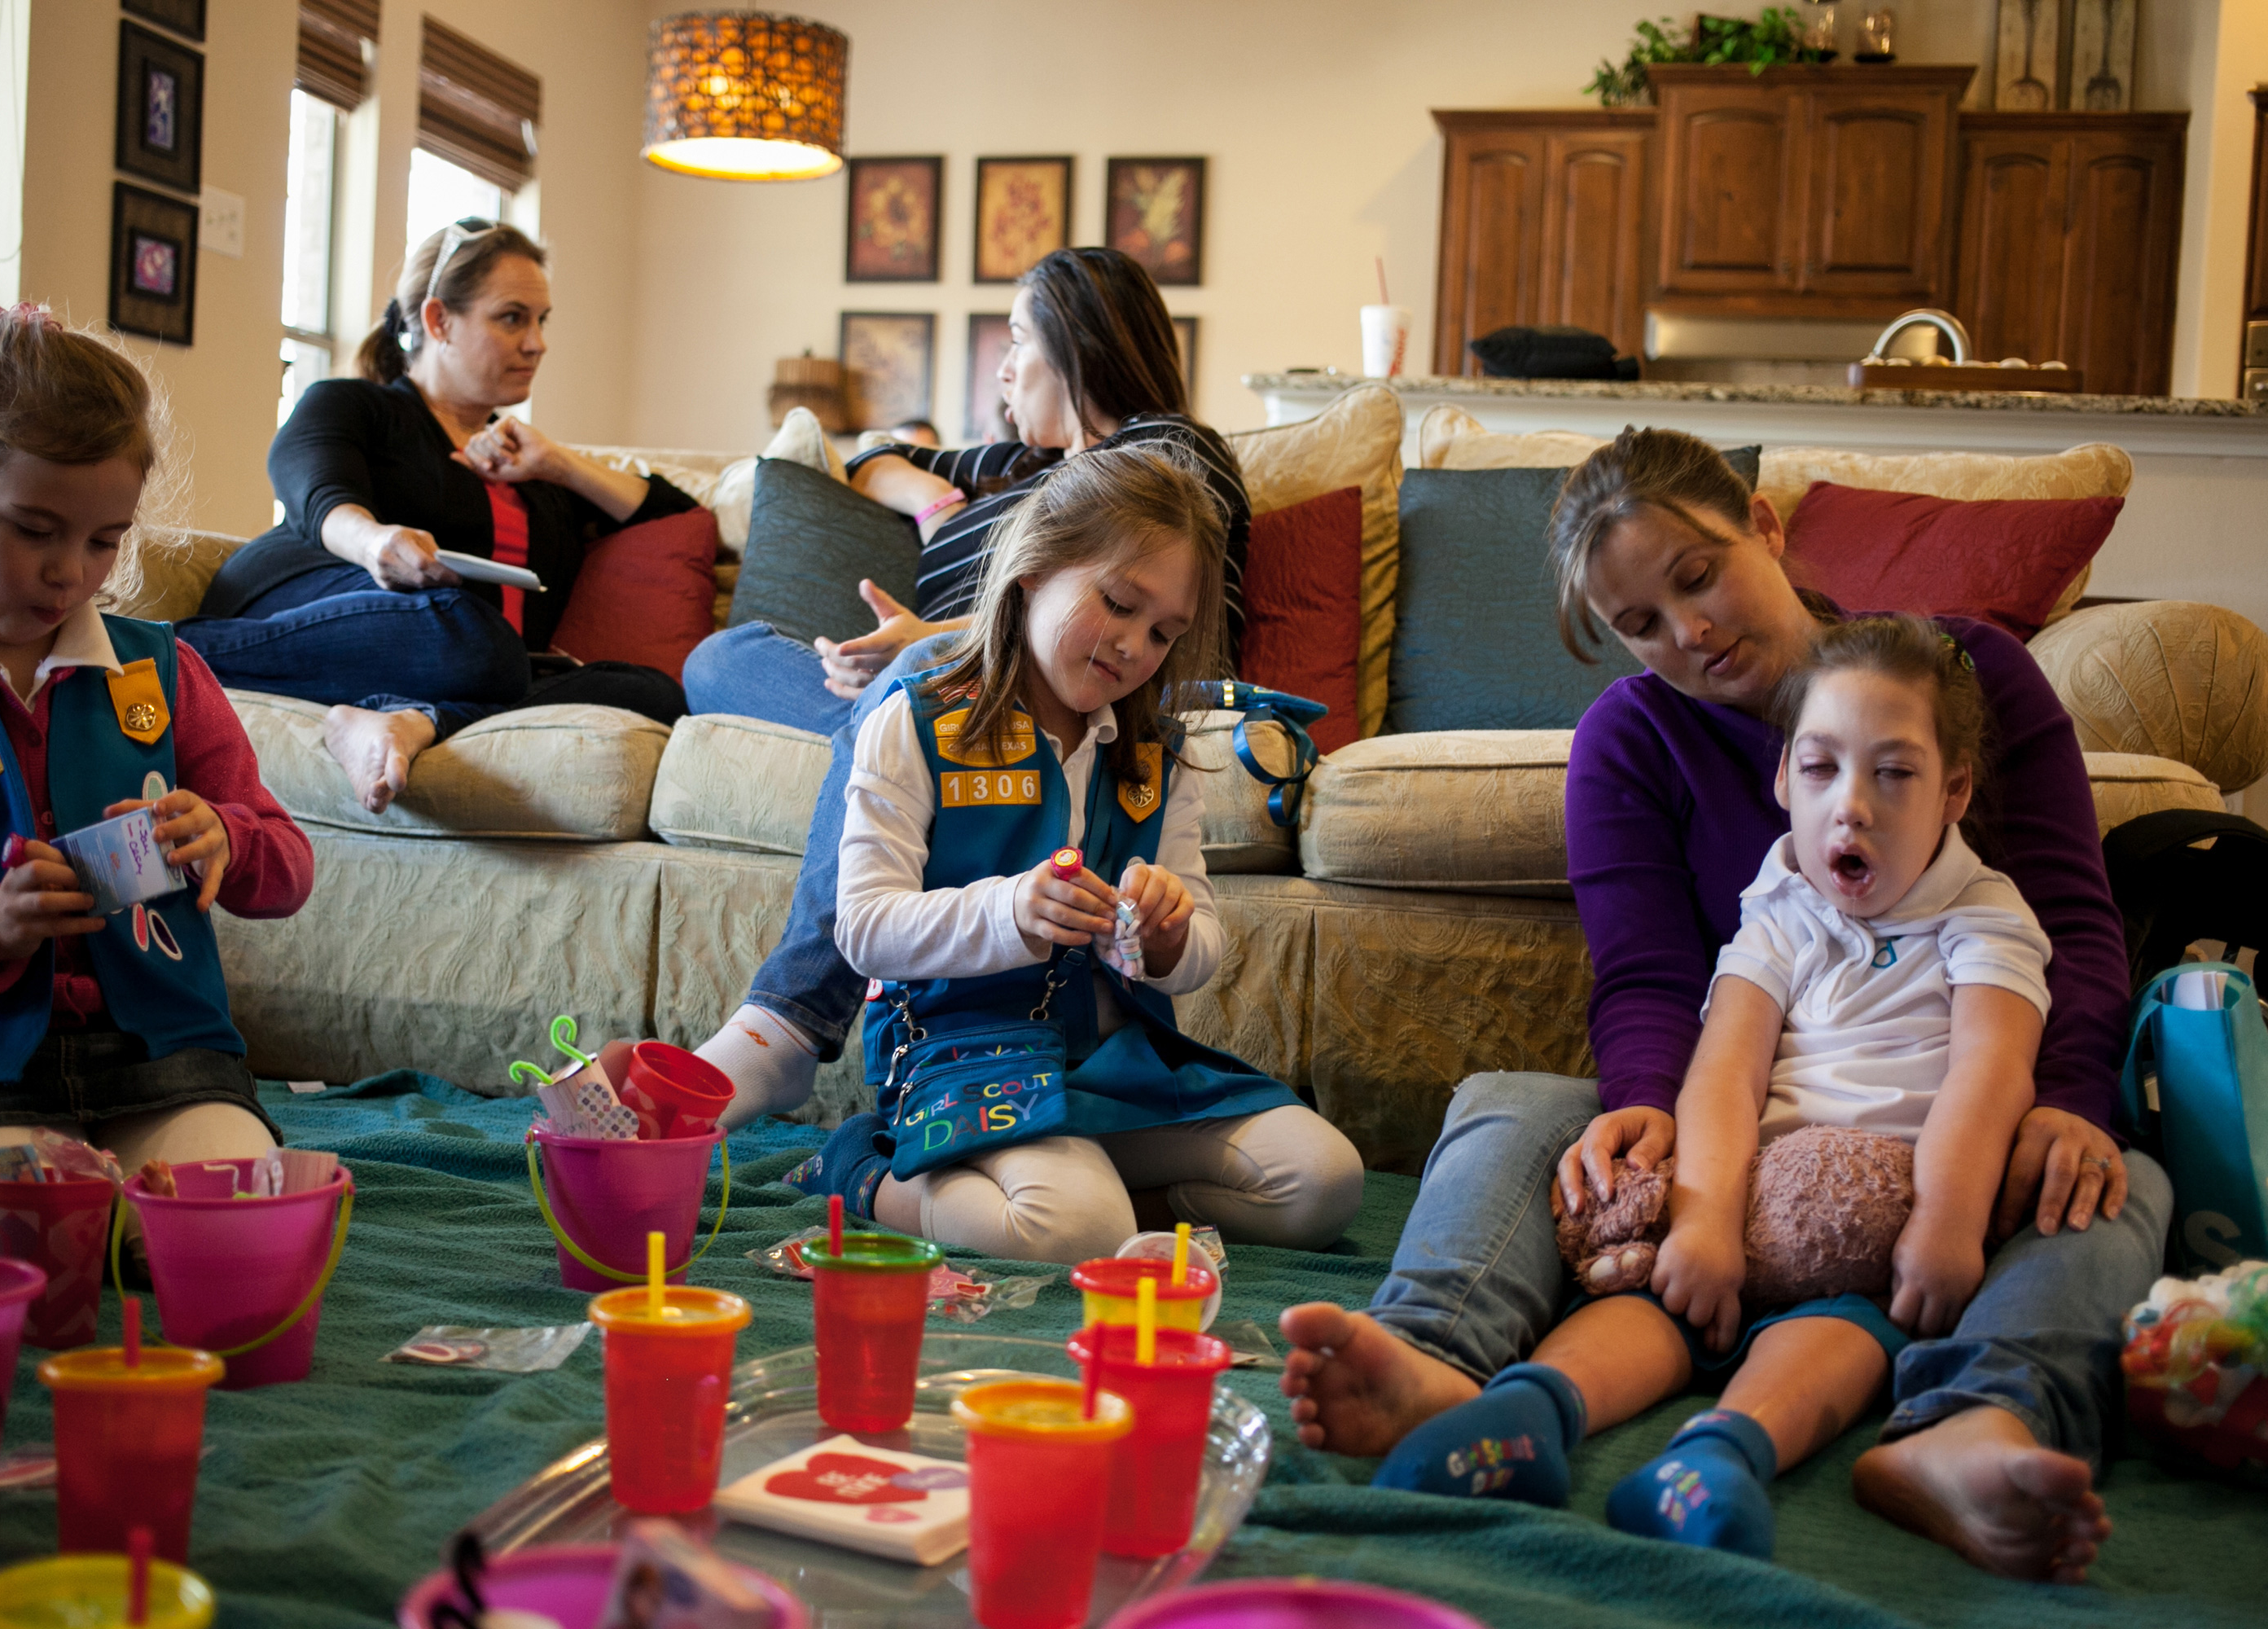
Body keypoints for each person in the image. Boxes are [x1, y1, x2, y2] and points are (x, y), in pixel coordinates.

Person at [1279, 429, 2159, 1583]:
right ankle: (1429, 1361)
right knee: (1511, 1103)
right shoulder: (1632, 741)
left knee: (2120, 1181)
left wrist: (2067, 1098)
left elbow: (2075, 925)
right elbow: (1648, 977)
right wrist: (1652, 1109)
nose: (1687, 632)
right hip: (1736, 1095)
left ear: (1765, 526)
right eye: (1640, 623)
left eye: (1697, 577)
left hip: (1947, 1115)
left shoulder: (1966, 678)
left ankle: (1972, 1422)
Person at [1371, 616, 2055, 1564]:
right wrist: (1702, 1222)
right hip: (1753, 1190)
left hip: (1876, 1234)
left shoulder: (1988, 917)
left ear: (1954, 791)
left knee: (1849, 1340)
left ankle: (1720, 1454)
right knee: (1652, 1305)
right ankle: (1527, 1413)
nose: (1849, 807)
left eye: (1893, 774)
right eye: (1820, 770)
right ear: (1782, 780)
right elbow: (1726, 1068)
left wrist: (1943, 1220)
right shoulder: (1779, 904)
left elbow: (1990, 1074)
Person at [685, 248, 1249, 1126]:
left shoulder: (1162, 457)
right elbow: (874, 457)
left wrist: (936, 639)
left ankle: (786, 1024)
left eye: (1020, 337)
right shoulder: (1020, 467)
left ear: (1076, 341)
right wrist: (939, 508)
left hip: (980, 683)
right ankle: (884, 699)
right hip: (923, 702)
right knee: (722, 656)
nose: (1005, 365)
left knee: (912, 675)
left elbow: (1197, 634)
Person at [782, 446, 1362, 1262]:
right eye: (1119, 604)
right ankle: (863, 1174)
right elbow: (866, 926)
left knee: (1323, 1180)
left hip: (1117, 1065)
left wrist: (1168, 938)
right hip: (963, 1051)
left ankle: (1113, 1203)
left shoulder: (1156, 754)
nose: (1134, 646)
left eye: (1164, 632)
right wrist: (1010, 910)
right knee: (1076, 1229)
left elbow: (1201, 944)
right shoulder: (916, 721)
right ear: (1034, 569)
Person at [0, 305, 316, 1249]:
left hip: (158, 1057)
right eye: (34, 530)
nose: (70, 574)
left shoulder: (162, 671)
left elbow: (286, 864)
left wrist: (226, 837)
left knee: (240, 1230)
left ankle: (121, 1215)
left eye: (104, 540)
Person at [182, 218, 699, 813]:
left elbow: (674, 514)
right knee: (471, 637)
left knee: (652, 692)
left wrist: (558, 463)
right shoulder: (361, 406)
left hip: (475, 657)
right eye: (512, 318)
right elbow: (310, 480)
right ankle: (183, 653)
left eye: (541, 320)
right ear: (437, 321)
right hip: (313, 605)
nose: (537, 342)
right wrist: (374, 542)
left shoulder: (534, 474)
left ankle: (416, 718)